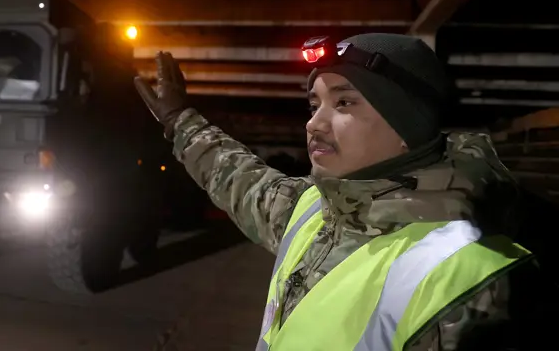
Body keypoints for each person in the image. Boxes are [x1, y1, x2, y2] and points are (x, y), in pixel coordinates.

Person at [133, 33, 557, 351]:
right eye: (313, 104)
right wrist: (180, 119)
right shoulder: (316, 210)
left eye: (345, 103)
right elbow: (238, 179)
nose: (314, 124)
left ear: (407, 126)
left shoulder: (475, 281)